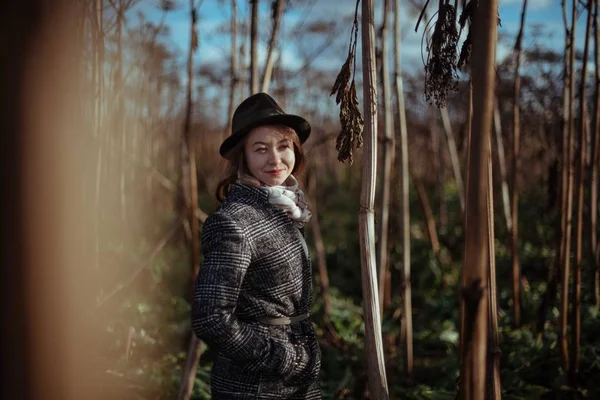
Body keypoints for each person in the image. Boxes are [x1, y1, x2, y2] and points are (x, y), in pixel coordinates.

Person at [192, 92, 322, 399]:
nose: (275, 159)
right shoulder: (235, 220)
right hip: (257, 386)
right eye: (261, 149)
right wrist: (284, 358)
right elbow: (211, 319)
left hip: (294, 378)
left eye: (283, 146)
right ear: (244, 157)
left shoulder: (284, 207)